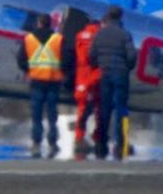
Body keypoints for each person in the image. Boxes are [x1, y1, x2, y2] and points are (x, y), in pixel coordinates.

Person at [88, 5, 136, 160]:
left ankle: (101, 144)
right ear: (120, 17)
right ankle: (122, 143)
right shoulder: (125, 34)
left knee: (103, 110)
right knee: (122, 110)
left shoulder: (99, 34)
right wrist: (127, 68)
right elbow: (131, 56)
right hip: (121, 74)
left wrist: (99, 65)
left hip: (105, 74)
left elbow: (91, 56)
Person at [17, 13, 64, 159]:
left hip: (36, 81)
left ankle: (36, 143)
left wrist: (29, 70)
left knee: (36, 115)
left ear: (38, 23)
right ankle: (53, 142)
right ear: (51, 24)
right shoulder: (59, 39)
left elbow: (21, 60)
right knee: (52, 114)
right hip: (53, 80)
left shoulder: (29, 39)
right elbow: (68, 58)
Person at [73, 18, 102, 159]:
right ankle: (98, 138)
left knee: (82, 109)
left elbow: (78, 56)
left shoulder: (79, 35)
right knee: (99, 108)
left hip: (82, 76)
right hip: (95, 74)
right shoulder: (100, 36)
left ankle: (79, 139)